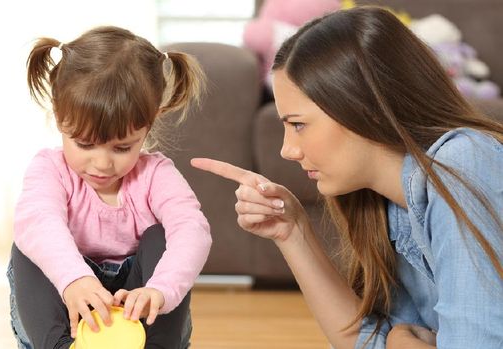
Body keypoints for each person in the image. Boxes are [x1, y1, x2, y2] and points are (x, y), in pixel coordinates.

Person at [192, 7, 502, 349]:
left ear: (362, 106)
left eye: (298, 125)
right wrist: (292, 231)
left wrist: (403, 344)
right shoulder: (389, 205)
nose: (288, 150)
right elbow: (366, 343)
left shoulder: (464, 163)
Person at [6, 26, 212, 349]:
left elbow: (193, 230)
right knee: (30, 243)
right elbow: (39, 220)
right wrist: (75, 279)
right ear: (60, 118)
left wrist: (160, 290)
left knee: (162, 236)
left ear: (149, 124)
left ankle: (158, 345)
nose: (102, 164)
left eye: (121, 148)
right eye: (86, 144)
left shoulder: (156, 174)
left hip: (138, 319)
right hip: (68, 314)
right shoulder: (49, 169)